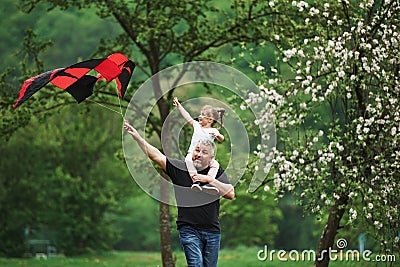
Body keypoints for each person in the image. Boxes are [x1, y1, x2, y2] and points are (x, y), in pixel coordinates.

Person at [123, 120, 235, 267]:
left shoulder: (215, 172)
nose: (199, 154)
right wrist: (137, 136)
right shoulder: (180, 169)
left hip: (212, 231)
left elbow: (231, 193)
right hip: (189, 229)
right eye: (197, 150)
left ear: (211, 158)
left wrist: (209, 180)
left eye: (204, 152)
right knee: (196, 265)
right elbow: (156, 156)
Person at [173, 97, 225, 195]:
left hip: (206, 158)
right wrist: (179, 106)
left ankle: (209, 182)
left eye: (202, 115)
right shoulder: (197, 126)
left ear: (209, 120)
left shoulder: (212, 131)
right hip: (193, 154)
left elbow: (222, 138)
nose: (199, 116)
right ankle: (196, 181)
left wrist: (218, 135)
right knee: (188, 160)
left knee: (215, 165)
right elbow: (187, 117)